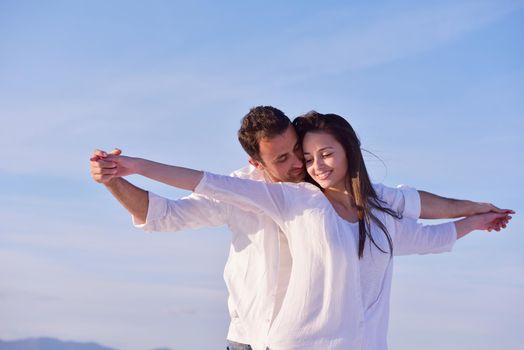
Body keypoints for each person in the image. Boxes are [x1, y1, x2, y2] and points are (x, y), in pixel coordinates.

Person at [90, 107, 511, 350]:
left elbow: (421, 217)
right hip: (255, 338)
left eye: (304, 152)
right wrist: (122, 172)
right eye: (289, 159)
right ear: (257, 163)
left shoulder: (361, 203)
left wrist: (476, 214)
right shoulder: (266, 193)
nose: (302, 166)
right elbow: (177, 203)